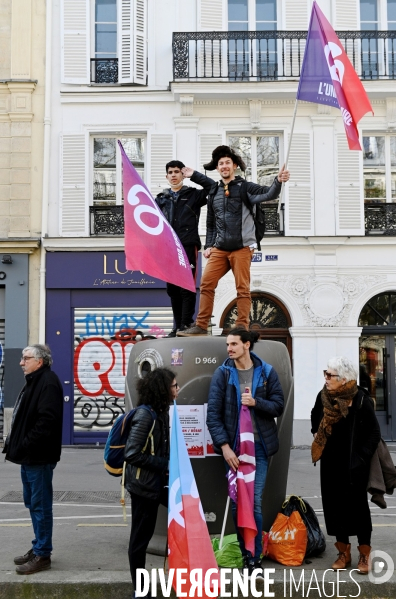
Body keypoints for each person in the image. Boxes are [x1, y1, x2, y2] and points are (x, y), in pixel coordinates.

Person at [177, 145, 290, 336]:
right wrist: (208, 245)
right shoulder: (214, 191)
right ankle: (201, 326)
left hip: (242, 248)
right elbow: (211, 222)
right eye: (221, 163)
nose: (224, 166)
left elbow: (269, 193)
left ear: (234, 165)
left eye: (227, 162)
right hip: (220, 248)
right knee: (206, 284)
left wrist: (278, 181)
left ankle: (241, 326)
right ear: (217, 168)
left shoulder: (245, 187)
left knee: (242, 288)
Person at [206, 328, 284, 573]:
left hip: (259, 448)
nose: (229, 349)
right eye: (227, 344)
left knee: (255, 503)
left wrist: (256, 403)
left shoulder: (266, 372)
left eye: (234, 344)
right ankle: (244, 552)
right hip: (235, 449)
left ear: (247, 345)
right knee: (240, 502)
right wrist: (225, 448)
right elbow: (213, 416)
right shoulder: (223, 373)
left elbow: (278, 406)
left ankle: (254, 557)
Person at [311, 357, 381, 574]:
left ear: (344, 379)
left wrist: (361, 458)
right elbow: (315, 417)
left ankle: (364, 554)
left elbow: (374, 433)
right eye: (326, 372)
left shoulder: (360, 400)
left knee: (358, 510)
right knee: (334, 509)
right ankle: (343, 553)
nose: (326, 378)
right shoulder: (323, 396)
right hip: (331, 464)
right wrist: (318, 433)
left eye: (330, 375)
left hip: (354, 466)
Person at [3, 344, 63, 574]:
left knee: (40, 505)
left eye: (25, 358)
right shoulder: (36, 380)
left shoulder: (47, 382)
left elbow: (46, 422)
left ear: (40, 361)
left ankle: (43, 554)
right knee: (33, 503)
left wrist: (26, 444)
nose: (21, 362)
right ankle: (38, 546)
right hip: (29, 456)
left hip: (38, 456)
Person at [125, 367, 178, 596]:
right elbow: (132, 453)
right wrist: (164, 464)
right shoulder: (145, 415)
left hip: (158, 484)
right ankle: (140, 588)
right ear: (163, 389)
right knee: (140, 539)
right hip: (144, 487)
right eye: (174, 385)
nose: (178, 389)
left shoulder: (162, 411)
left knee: (187, 514)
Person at [155, 161, 215, 336]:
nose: (173, 175)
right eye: (170, 172)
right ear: (166, 176)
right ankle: (177, 326)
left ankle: (186, 324)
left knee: (186, 286)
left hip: (187, 245)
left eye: (177, 172)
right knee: (172, 289)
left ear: (182, 175)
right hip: (168, 248)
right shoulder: (160, 199)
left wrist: (194, 175)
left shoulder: (193, 195)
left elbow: (213, 187)